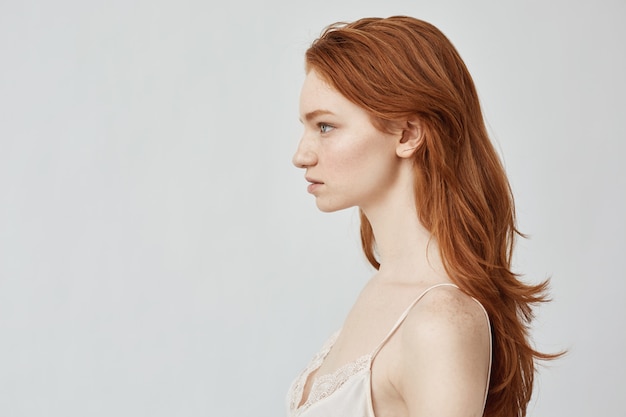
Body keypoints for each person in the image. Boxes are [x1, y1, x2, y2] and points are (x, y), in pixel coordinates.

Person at [287, 16, 559, 417]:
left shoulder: (440, 321)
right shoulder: (385, 289)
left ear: (408, 134)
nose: (301, 155)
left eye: (325, 126)